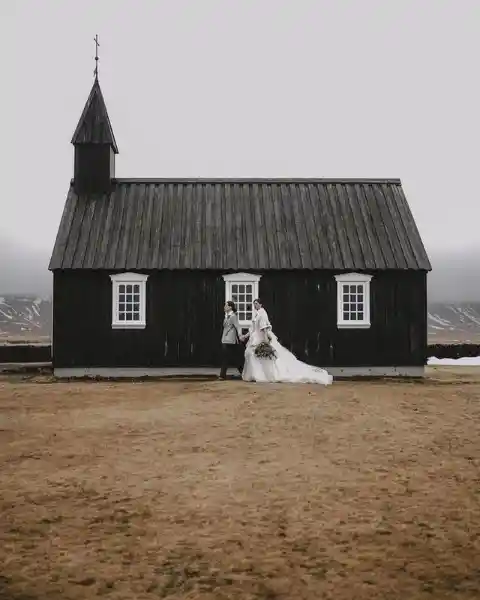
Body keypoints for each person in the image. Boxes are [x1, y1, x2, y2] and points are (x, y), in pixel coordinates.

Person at [241, 299, 333, 384]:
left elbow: (264, 328)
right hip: (256, 337)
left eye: (257, 304)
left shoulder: (263, 314)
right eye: (254, 304)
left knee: (265, 356)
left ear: (261, 304)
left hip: (262, 337)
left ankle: (266, 375)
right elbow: (252, 328)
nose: (255, 305)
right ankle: (256, 374)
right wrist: (245, 336)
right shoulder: (256, 314)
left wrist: (265, 341)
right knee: (251, 354)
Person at [219, 300, 244, 379]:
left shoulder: (233, 316)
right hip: (225, 339)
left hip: (230, 340)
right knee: (233, 358)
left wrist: (240, 335)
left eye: (226, 305)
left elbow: (238, 326)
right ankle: (242, 372)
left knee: (227, 357)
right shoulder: (226, 316)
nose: (224, 307)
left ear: (230, 307)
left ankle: (222, 375)